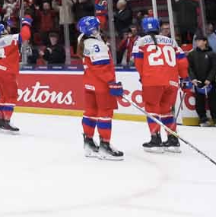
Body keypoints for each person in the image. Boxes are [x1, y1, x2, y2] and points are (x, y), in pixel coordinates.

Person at [131, 15, 189, 153]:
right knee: (166, 110)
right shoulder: (171, 41)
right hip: (171, 81)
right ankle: (173, 140)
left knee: (152, 109)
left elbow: (138, 61)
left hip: (152, 81)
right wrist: (185, 78)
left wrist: (142, 76)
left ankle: (155, 139)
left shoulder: (140, 42)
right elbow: (182, 60)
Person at [77, 14, 122, 160]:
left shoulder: (83, 40)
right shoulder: (96, 44)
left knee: (90, 112)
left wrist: (100, 12)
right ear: (93, 29)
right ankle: (105, 146)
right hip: (101, 85)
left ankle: (88, 142)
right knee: (105, 114)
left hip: (89, 83)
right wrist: (111, 82)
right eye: (97, 26)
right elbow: (101, 67)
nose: (100, 27)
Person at [0, 17, 31, 133]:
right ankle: (7, 121)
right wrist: (26, 23)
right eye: (5, 28)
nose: (8, 29)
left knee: (3, 97)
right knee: (11, 97)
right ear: (2, 32)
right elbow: (25, 35)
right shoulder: (10, 38)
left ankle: (1, 120)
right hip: (7, 72)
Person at [186, 34, 216, 126]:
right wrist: (193, 79)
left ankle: (215, 118)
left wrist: (209, 79)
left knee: (213, 100)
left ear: (205, 42)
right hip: (198, 81)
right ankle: (202, 118)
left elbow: (215, 67)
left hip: (210, 81)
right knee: (199, 101)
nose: (197, 42)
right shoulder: (192, 54)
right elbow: (189, 68)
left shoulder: (212, 54)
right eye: (196, 41)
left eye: (200, 40)